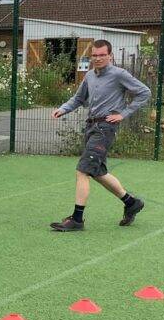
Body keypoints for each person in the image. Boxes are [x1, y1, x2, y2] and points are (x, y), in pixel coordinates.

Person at [50, 39, 151, 231]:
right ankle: (131, 203)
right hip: (91, 127)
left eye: (102, 55)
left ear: (110, 56)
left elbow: (144, 93)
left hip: (105, 128)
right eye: (94, 55)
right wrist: (62, 109)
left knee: (83, 170)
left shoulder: (119, 74)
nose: (98, 58)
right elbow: (79, 99)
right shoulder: (89, 76)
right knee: (97, 171)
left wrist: (123, 114)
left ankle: (77, 220)